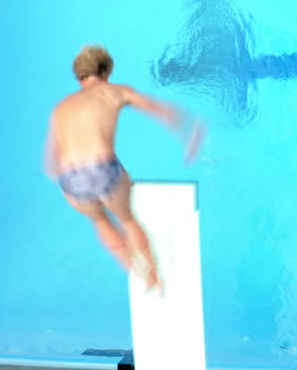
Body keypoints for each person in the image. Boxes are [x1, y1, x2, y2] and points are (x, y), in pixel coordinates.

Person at [45, 45, 205, 291]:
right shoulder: (115, 91)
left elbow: (51, 165)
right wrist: (191, 133)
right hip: (102, 170)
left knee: (100, 220)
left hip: (71, 181)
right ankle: (153, 275)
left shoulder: (60, 108)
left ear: (79, 76)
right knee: (128, 220)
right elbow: (163, 112)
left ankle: (136, 274)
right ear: (106, 71)